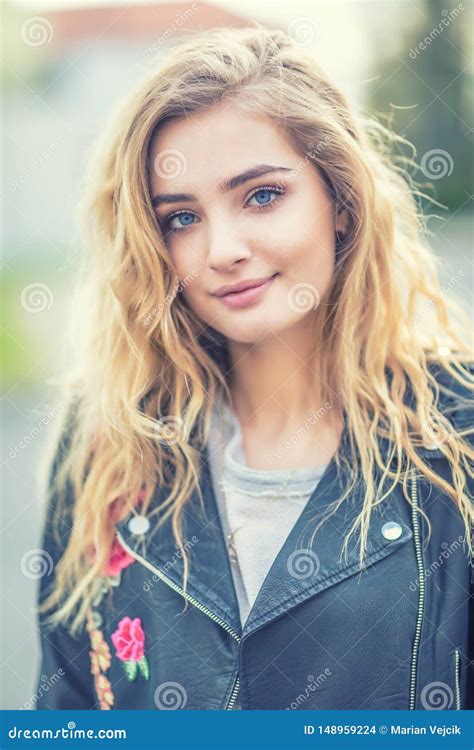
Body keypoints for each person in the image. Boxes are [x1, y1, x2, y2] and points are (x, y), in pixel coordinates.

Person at [35, 26, 473, 711]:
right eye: (181, 218)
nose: (223, 249)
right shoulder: (108, 438)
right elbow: (67, 708)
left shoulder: (459, 428)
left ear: (342, 201)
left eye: (262, 195)